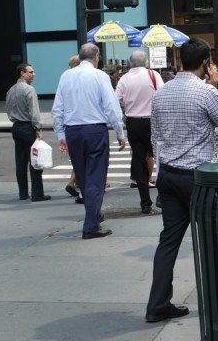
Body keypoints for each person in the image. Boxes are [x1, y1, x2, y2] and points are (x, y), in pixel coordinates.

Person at [145, 38, 218, 323]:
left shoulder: (162, 92)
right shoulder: (206, 92)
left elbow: (155, 135)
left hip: (168, 174)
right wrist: (216, 87)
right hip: (197, 177)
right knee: (212, 239)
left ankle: (157, 303)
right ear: (206, 63)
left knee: (169, 241)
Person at [51, 43, 126, 239]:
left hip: (73, 131)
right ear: (96, 57)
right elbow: (111, 106)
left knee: (83, 177)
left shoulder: (66, 76)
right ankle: (91, 225)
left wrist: (60, 134)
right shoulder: (100, 76)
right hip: (94, 130)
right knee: (96, 177)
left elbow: (57, 108)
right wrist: (119, 131)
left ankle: (93, 214)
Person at [115, 50, 163, 214]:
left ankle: (145, 202)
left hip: (133, 122)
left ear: (130, 63)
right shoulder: (153, 75)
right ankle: (162, 195)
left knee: (139, 158)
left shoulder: (124, 78)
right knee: (159, 156)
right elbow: (162, 95)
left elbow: (116, 99)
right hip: (152, 121)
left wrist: (125, 110)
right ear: (146, 62)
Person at [5, 62, 51, 202]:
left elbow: (8, 109)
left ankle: (23, 193)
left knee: (20, 162)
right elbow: (34, 112)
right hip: (27, 127)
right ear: (22, 73)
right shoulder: (29, 90)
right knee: (35, 161)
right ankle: (37, 193)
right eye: (30, 72)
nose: (33, 74)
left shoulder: (11, 90)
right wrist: (38, 129)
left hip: (16, 126)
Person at [64, 54, 81, 200]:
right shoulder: (79, 79)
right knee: (84, 158)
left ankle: (73, 182)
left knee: (78, 157)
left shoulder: (66, 78)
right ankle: (73, 182)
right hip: (82, 122)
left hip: (70, 124)